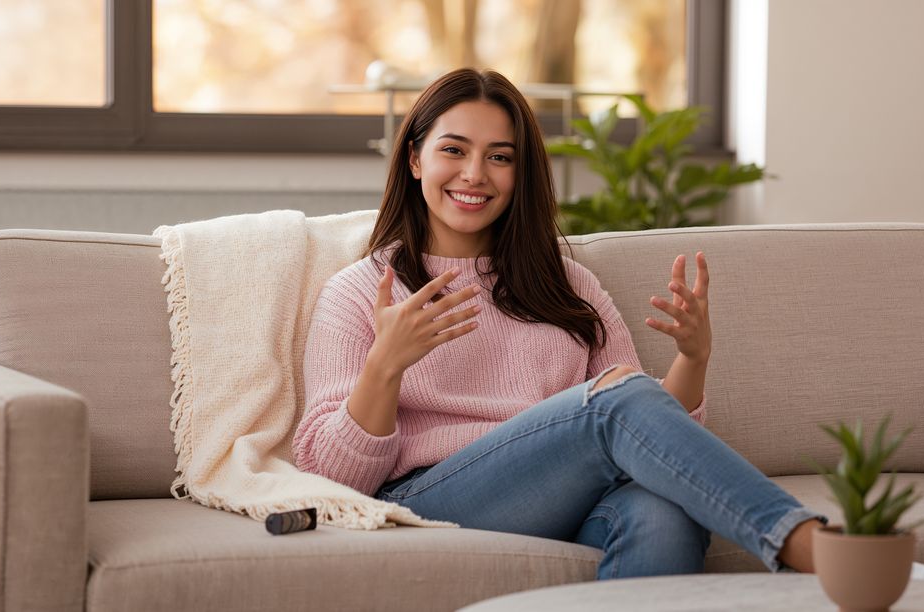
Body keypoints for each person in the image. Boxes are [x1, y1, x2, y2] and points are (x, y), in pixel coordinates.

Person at [293, 67, 827, 579]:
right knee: (617, 397)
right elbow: (333, 479)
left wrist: (693, 359)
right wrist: (383, 368)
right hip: (429, 497)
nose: (475, 174)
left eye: (499, 157)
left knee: (663, 509)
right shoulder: (361, 291)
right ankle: (811, 547)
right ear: (414, 159)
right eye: (453, 149)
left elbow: (654, 441)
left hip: (570, 500)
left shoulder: (569, 285)